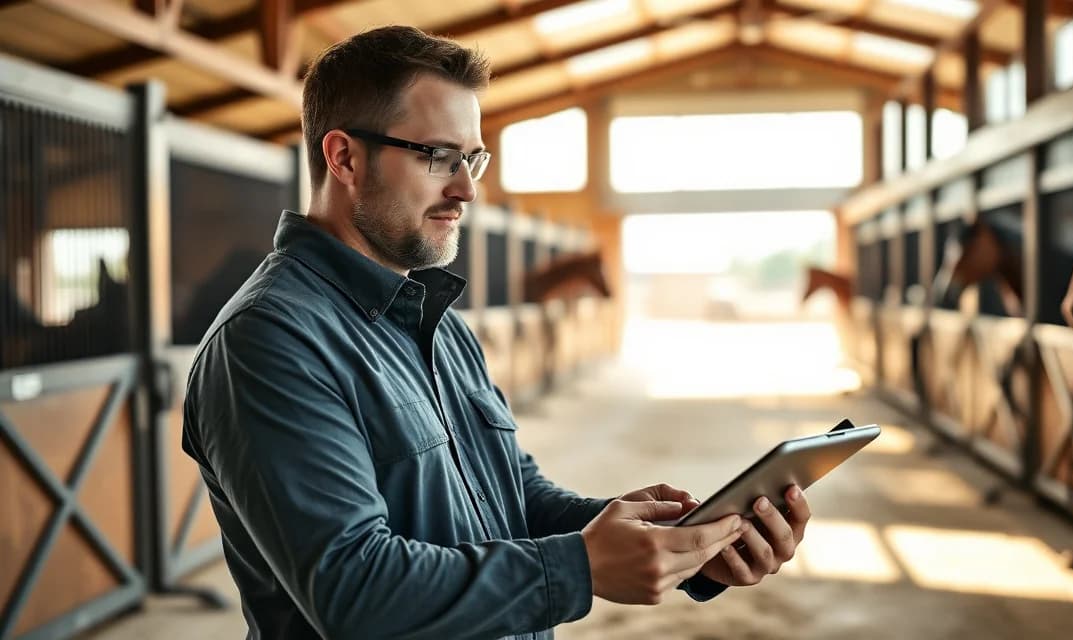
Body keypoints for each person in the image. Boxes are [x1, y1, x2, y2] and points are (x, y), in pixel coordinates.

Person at [182, 25, 811, 640]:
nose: (466, 189)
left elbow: (514, 496)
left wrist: (673, 542)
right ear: (344, 157)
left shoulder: (436, 323)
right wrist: (582, 566)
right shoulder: (270, 340)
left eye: (472, 159)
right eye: (438, 157)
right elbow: (353, 588)